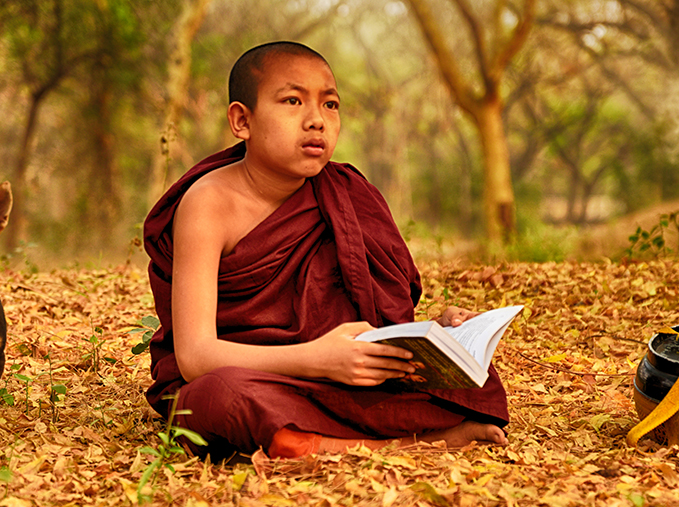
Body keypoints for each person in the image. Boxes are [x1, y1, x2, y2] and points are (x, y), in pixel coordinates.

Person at [142, 41, 509, 460]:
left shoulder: (348, 194)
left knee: (475, 379)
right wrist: (317, 360)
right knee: (215, 395)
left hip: (338, 377)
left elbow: (367, 324)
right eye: (293, 100)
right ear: (242, 120)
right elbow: (195, 356)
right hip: (259, 373)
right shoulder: (209, 203)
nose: (316, 120)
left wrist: (437, 335)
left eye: (330, 104)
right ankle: (398, 445)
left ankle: (308, 440)